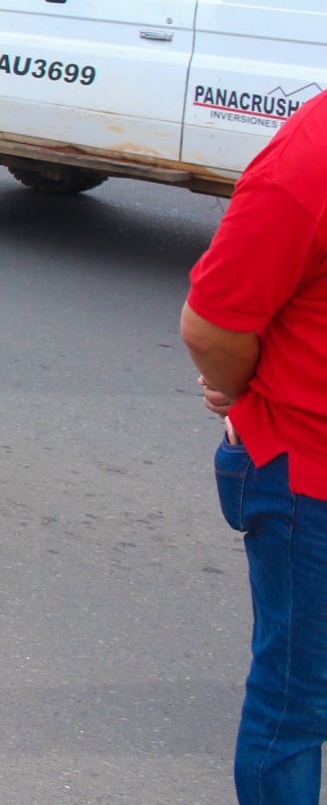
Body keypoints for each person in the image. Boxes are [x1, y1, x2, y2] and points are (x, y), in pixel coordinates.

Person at [183, 90, 327, 804]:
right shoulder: (311, 157)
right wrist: (245, 391)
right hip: (311, 480)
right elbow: (213, 326)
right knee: (296, 709)